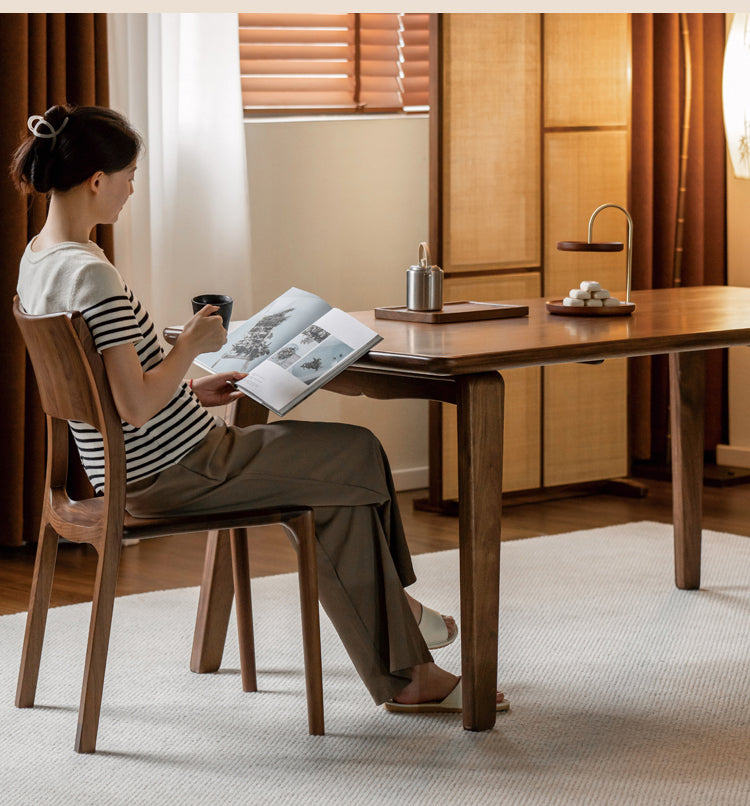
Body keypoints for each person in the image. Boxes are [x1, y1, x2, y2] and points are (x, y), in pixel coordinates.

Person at [11, 104, 507, 715]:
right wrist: (191, 345)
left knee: (339, 498)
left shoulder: (40, 260)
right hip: (179, 471)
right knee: (358, 453)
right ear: (96, 180)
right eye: (129, 177)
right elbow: (135, 406)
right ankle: (405, 620)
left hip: (137, 467)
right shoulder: (92, 274)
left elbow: (107, 397)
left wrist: (193, 392)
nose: (132, 189)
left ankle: (410, 669)